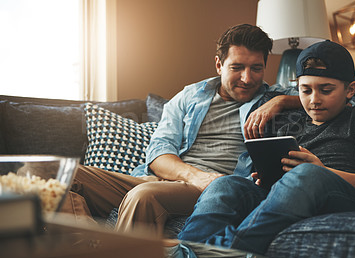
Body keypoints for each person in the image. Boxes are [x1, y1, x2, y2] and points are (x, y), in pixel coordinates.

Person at [62, 24, 301, 236]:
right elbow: (158, 153)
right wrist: (196, 176)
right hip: (168, 179)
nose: (247, 78)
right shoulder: (191, 95)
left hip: (215, 190)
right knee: (63, 175)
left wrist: (280, 102)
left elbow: (331, 97)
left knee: (144, 196)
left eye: (256, 68)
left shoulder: (271, 98)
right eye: (237, 67)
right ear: (219, 65)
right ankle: (87, 249)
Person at [177, 40, 355, 255]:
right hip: (289, 196)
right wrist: (267, 177)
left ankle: (230, 253)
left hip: (340, 195)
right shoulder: (292, 125)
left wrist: (321, 170)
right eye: (305, 90)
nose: (314, 100)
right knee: (225, 185)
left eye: (326, 90)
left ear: (350, 90)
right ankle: (188, 252)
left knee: (307, 174)